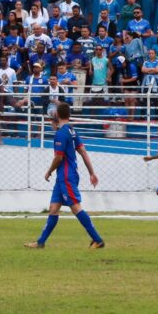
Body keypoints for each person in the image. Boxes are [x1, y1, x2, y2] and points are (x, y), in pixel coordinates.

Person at [25, 103, 105, 249]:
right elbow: (83, 152)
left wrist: (49, 171)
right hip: (66, 175)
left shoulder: (61, 133)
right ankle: (41, 242)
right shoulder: (72, 131)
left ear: (57, 115)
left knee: (75, 208)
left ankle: (97, 239)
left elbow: (58, 158)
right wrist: (91, 173)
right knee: (54, 208)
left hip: (66, 176)